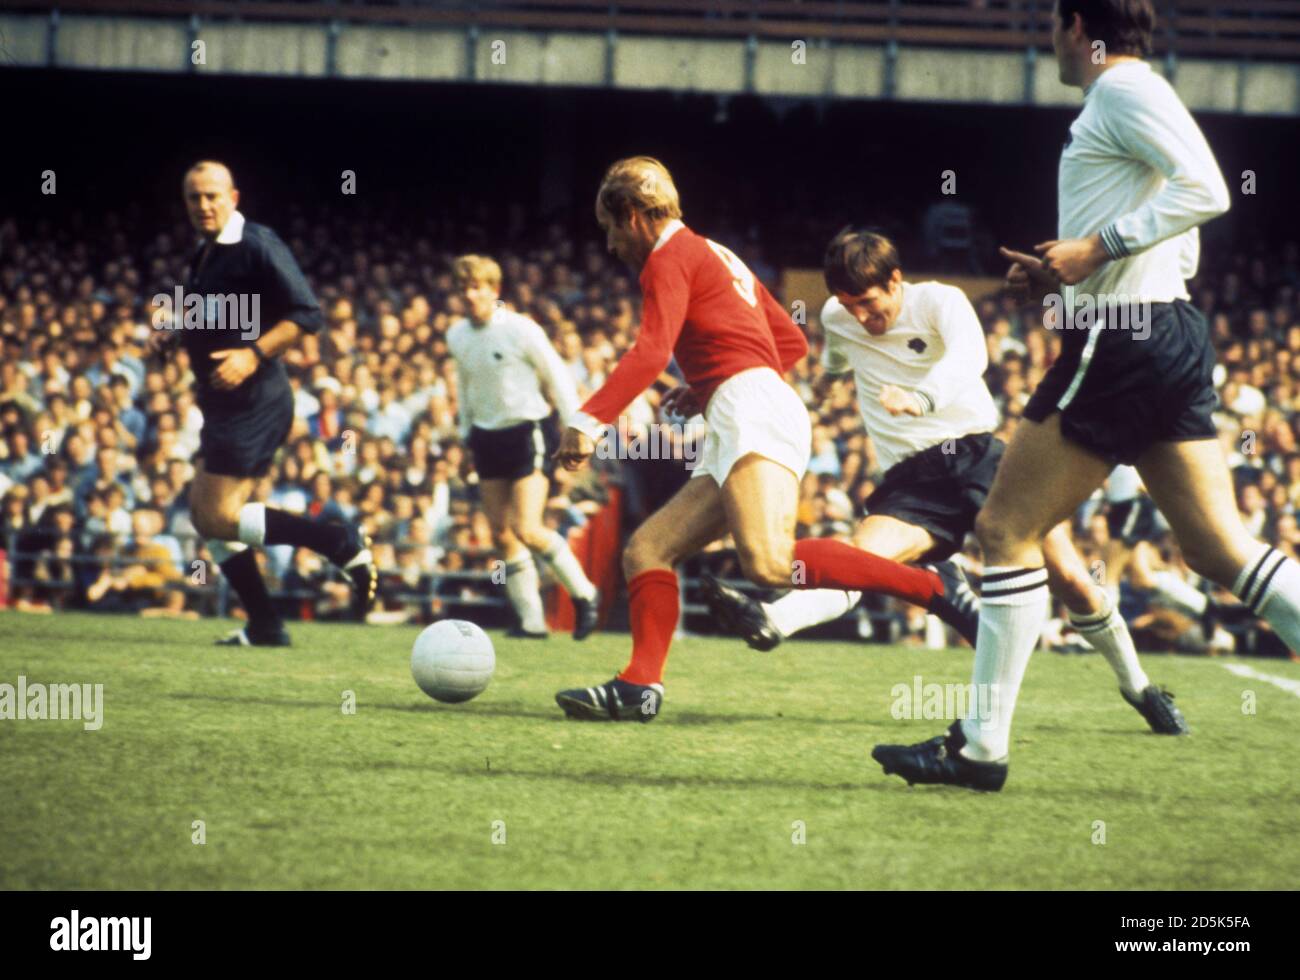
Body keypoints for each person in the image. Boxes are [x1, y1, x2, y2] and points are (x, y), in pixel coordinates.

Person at [872, 0, 1300, 791]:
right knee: (1216, 549)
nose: (1049, 40)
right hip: (1160, 330)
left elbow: (1208, 189)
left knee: (1003, 527)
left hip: (1125, 340)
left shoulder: (1123, 91)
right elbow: (1181, 229)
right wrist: (1068, 276)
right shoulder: (1133, 96)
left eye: (1052, 23)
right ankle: (980, 746)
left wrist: (1096, 250)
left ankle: (981, 750)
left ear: (1077, 25)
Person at [702, 228, 1186, 734]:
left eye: (868, 303)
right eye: (849, 306)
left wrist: (922, 399)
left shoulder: (939, 301)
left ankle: (1139, 687)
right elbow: (837, 356)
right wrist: (824, 383)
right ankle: (772, 620)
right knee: (861, 563)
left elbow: (969, 358)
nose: (861, 318)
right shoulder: (838, 317)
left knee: (1070, 579)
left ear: (895, 280)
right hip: (912, 480)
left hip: (978, 455)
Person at [551, 156, 811, 720]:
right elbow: (790, 343)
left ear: (635, 216)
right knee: (648, 550)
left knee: (766, 565)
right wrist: (711, 382)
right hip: (746, 402)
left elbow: (649, 352)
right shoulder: (715, 250)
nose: (612, 244)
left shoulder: (667, 257)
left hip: (750, 409)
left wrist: (588, 421)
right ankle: (639, 687)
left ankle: (926, 590)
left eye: (611, 228)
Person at [151, 161, 376, 647]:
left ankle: (336, 541)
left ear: (234, 196)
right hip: (222, 403)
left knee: (217, 516)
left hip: (255, 399)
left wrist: (253, 354)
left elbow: (306, 313)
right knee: (205, 514)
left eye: (212, 195)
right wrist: (175, 331)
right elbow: (205, 306)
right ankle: (266, 624)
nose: (203, 205)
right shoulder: (205, 251)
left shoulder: (257, 243)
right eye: (194, 197)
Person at [447, 254, 600, 640]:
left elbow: (556, 375)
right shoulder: (457, 335)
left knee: (528, 528)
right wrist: (466, 435)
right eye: (463, 288)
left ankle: (584, 593)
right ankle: (532, 620)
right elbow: (465, 388)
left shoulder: (520, 329)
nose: (470, 295)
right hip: (485, 437)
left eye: (477, 287)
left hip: (525, 431)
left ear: (494, 290)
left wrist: (577, 425)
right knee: (501, 533)